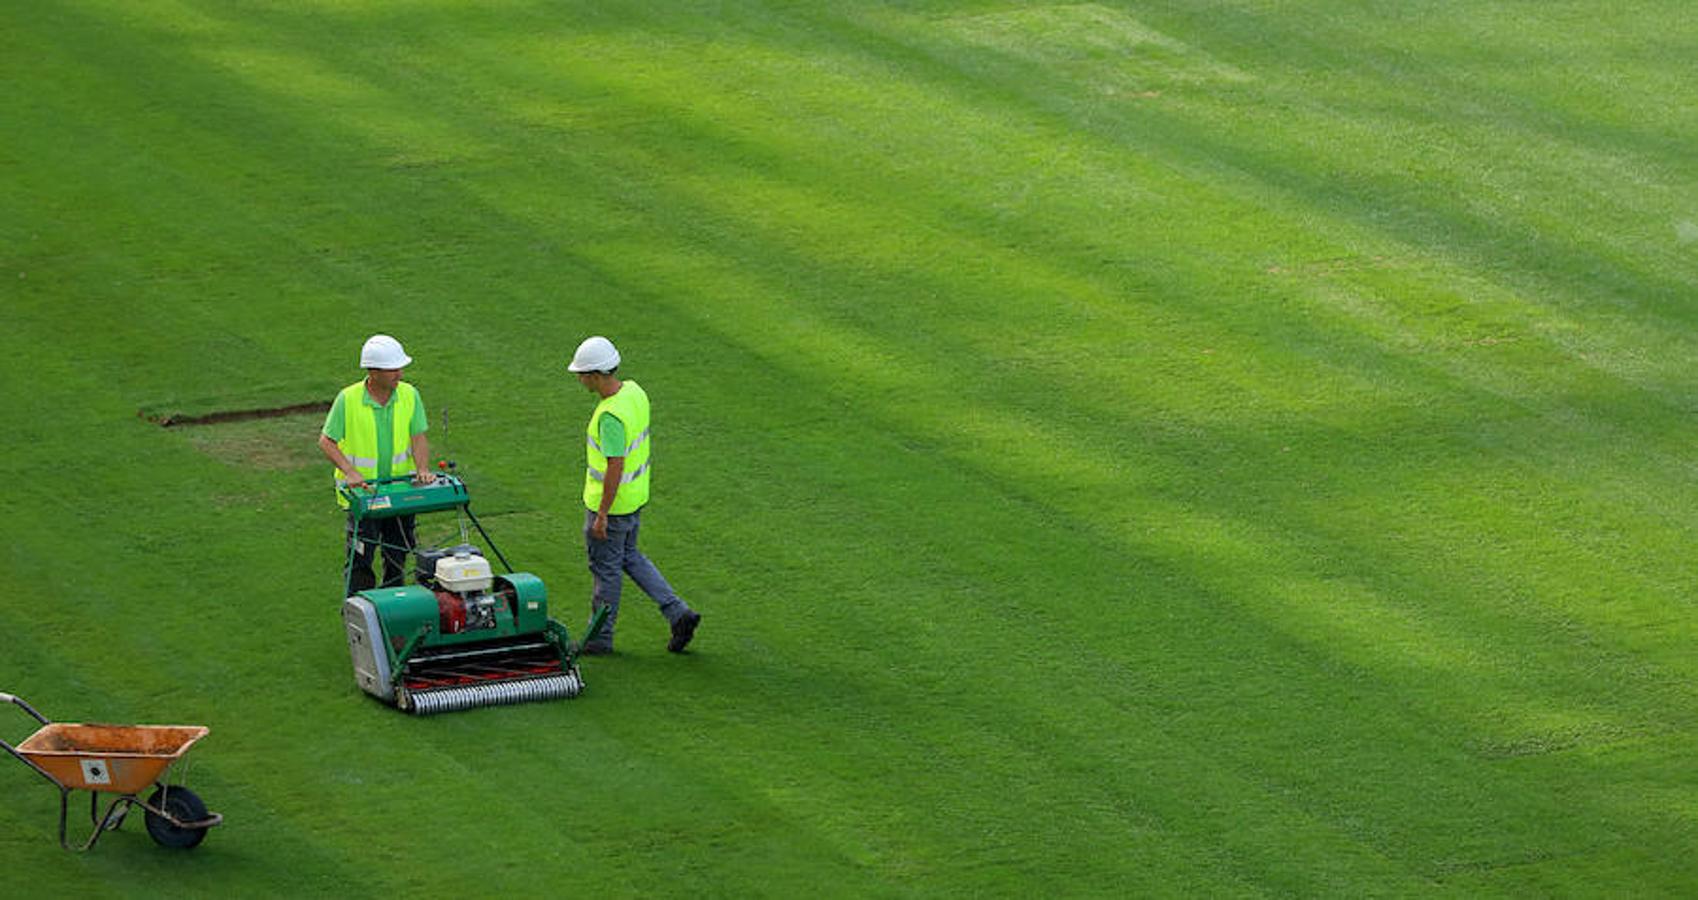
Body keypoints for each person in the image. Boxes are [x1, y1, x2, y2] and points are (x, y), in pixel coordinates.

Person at [568, 335, 700, 654]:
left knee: (606, 571)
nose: (579, 378)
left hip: (612, 507)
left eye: (582, 373)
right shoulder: (635, 393)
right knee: (630, 557)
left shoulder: (610, 416)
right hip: (635, 498)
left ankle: (600, 638)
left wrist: (601, 514)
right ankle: (677, 612)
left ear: (597, 375)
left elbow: (615, 465)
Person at [317, 334, 436, 594]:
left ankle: (395, 606)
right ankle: (358, 609)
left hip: (400, 494)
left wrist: (423, 470)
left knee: (398, 554)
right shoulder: (348, 399)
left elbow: (418, 437)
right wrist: (350, 472)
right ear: (373, 371)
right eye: (393, 369)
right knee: (361, 559)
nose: (399, 374)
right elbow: (326, 441)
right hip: (364, 496)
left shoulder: (409, 395)